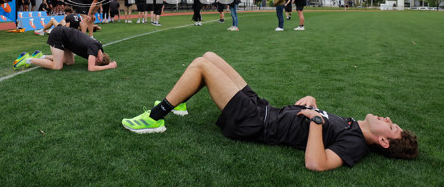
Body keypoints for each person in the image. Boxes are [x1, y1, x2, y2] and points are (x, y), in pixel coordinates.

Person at [121, 51, 418, 171]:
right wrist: (314, 102)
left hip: (255, 123)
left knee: (202, 66)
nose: (388, 120)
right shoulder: (353, 126)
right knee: (210, 55)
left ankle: (155, 117)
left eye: (392, 128)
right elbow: (321, 121)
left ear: (383, 142)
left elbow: (317, 163)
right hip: (263, 109)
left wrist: (315, 121)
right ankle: (181, 99)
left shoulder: (355, 145)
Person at [13, 26, 117, 72]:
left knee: (70, 62)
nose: (94, 61)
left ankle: (41, 56)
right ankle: (28, 59)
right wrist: (109, 66)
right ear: (99, 59)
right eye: (96, 62)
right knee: (57, 66)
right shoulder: (94, 49)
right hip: (59, 36)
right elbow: (91, 68)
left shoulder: (99, 49)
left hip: (67, 40)